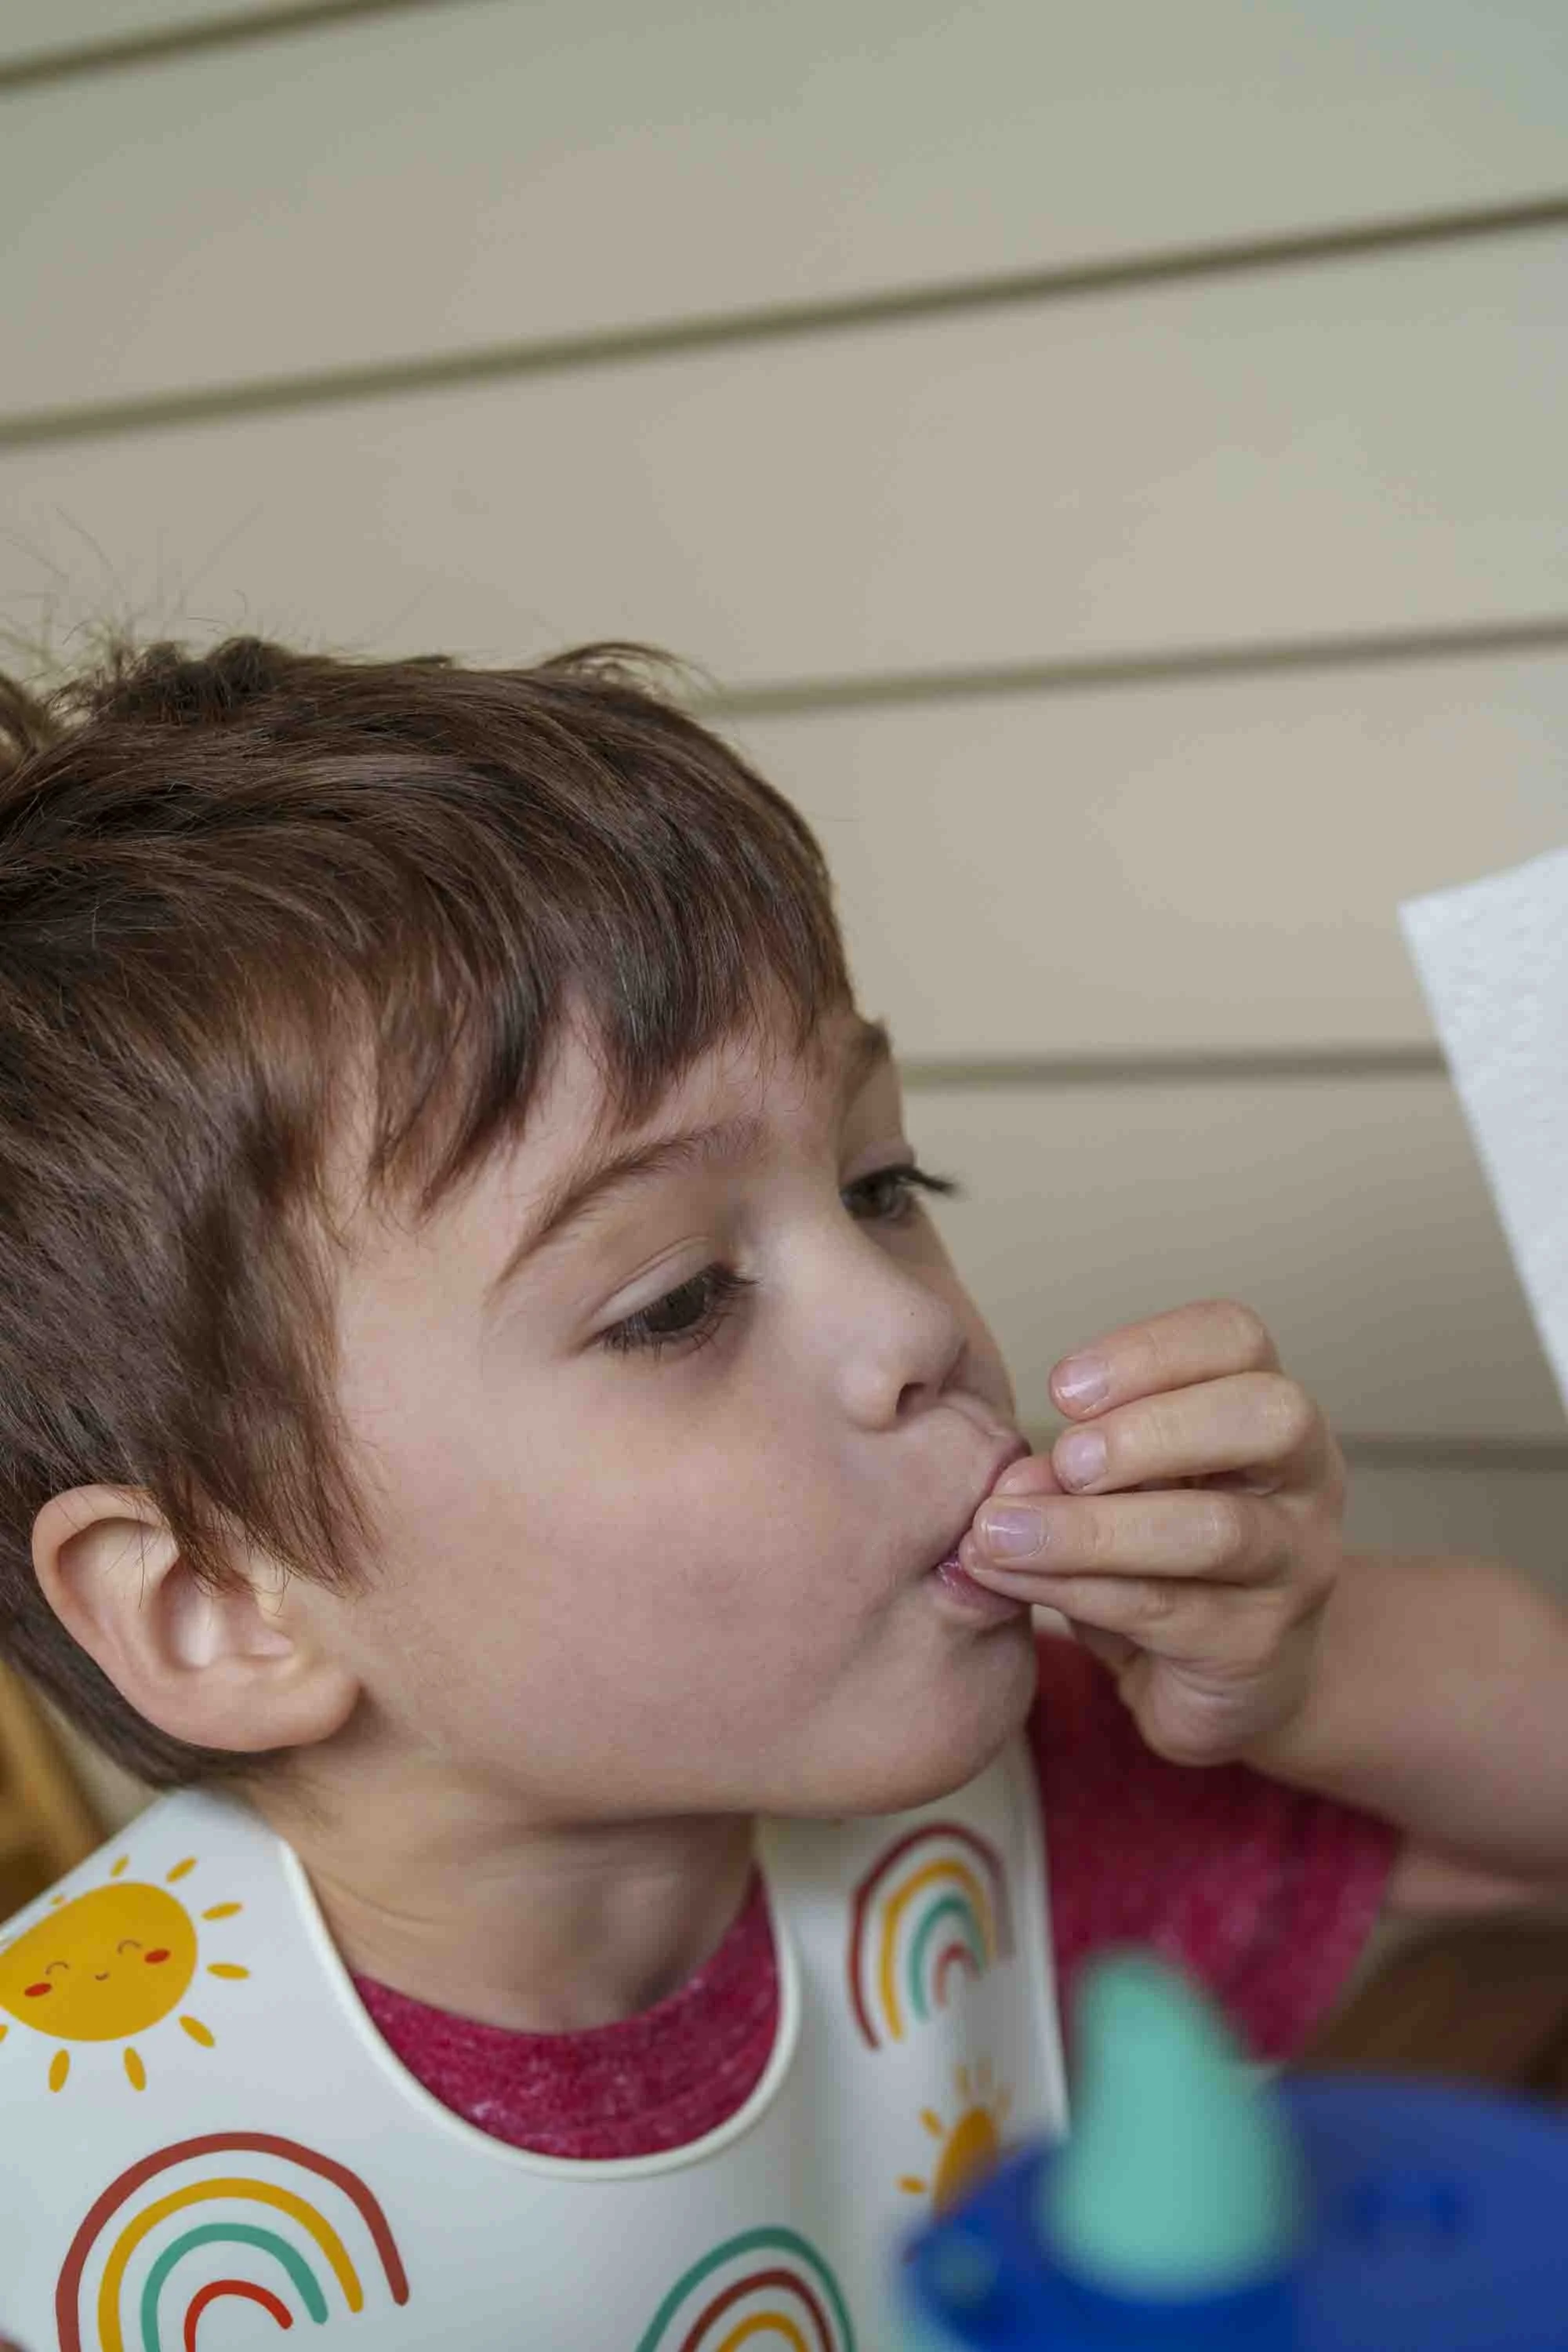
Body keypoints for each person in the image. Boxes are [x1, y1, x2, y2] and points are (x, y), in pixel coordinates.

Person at [1, 637, 1564, 2351]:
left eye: (884, 1181)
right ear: (217, 1607)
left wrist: (1302, 1672)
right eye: (672, 1302)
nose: (912, 1325)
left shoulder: (999, 1801)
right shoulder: (72, 2195)